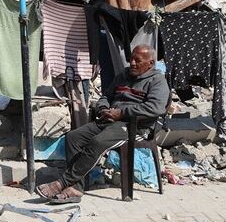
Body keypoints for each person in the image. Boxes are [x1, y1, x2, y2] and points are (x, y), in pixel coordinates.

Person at [36, 44, 169, 203]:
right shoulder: (123, 75)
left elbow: (155, 108)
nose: (132, 63)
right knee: (73, 137)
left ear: (151, 63)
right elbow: (106, 96)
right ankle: (76, 188)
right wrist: (103, 108)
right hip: (110, 120)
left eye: (137, 60)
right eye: (131, 58)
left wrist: (121, 113)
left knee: (97, 142)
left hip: (135, 127)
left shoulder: (157, 81)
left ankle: (62, 183)